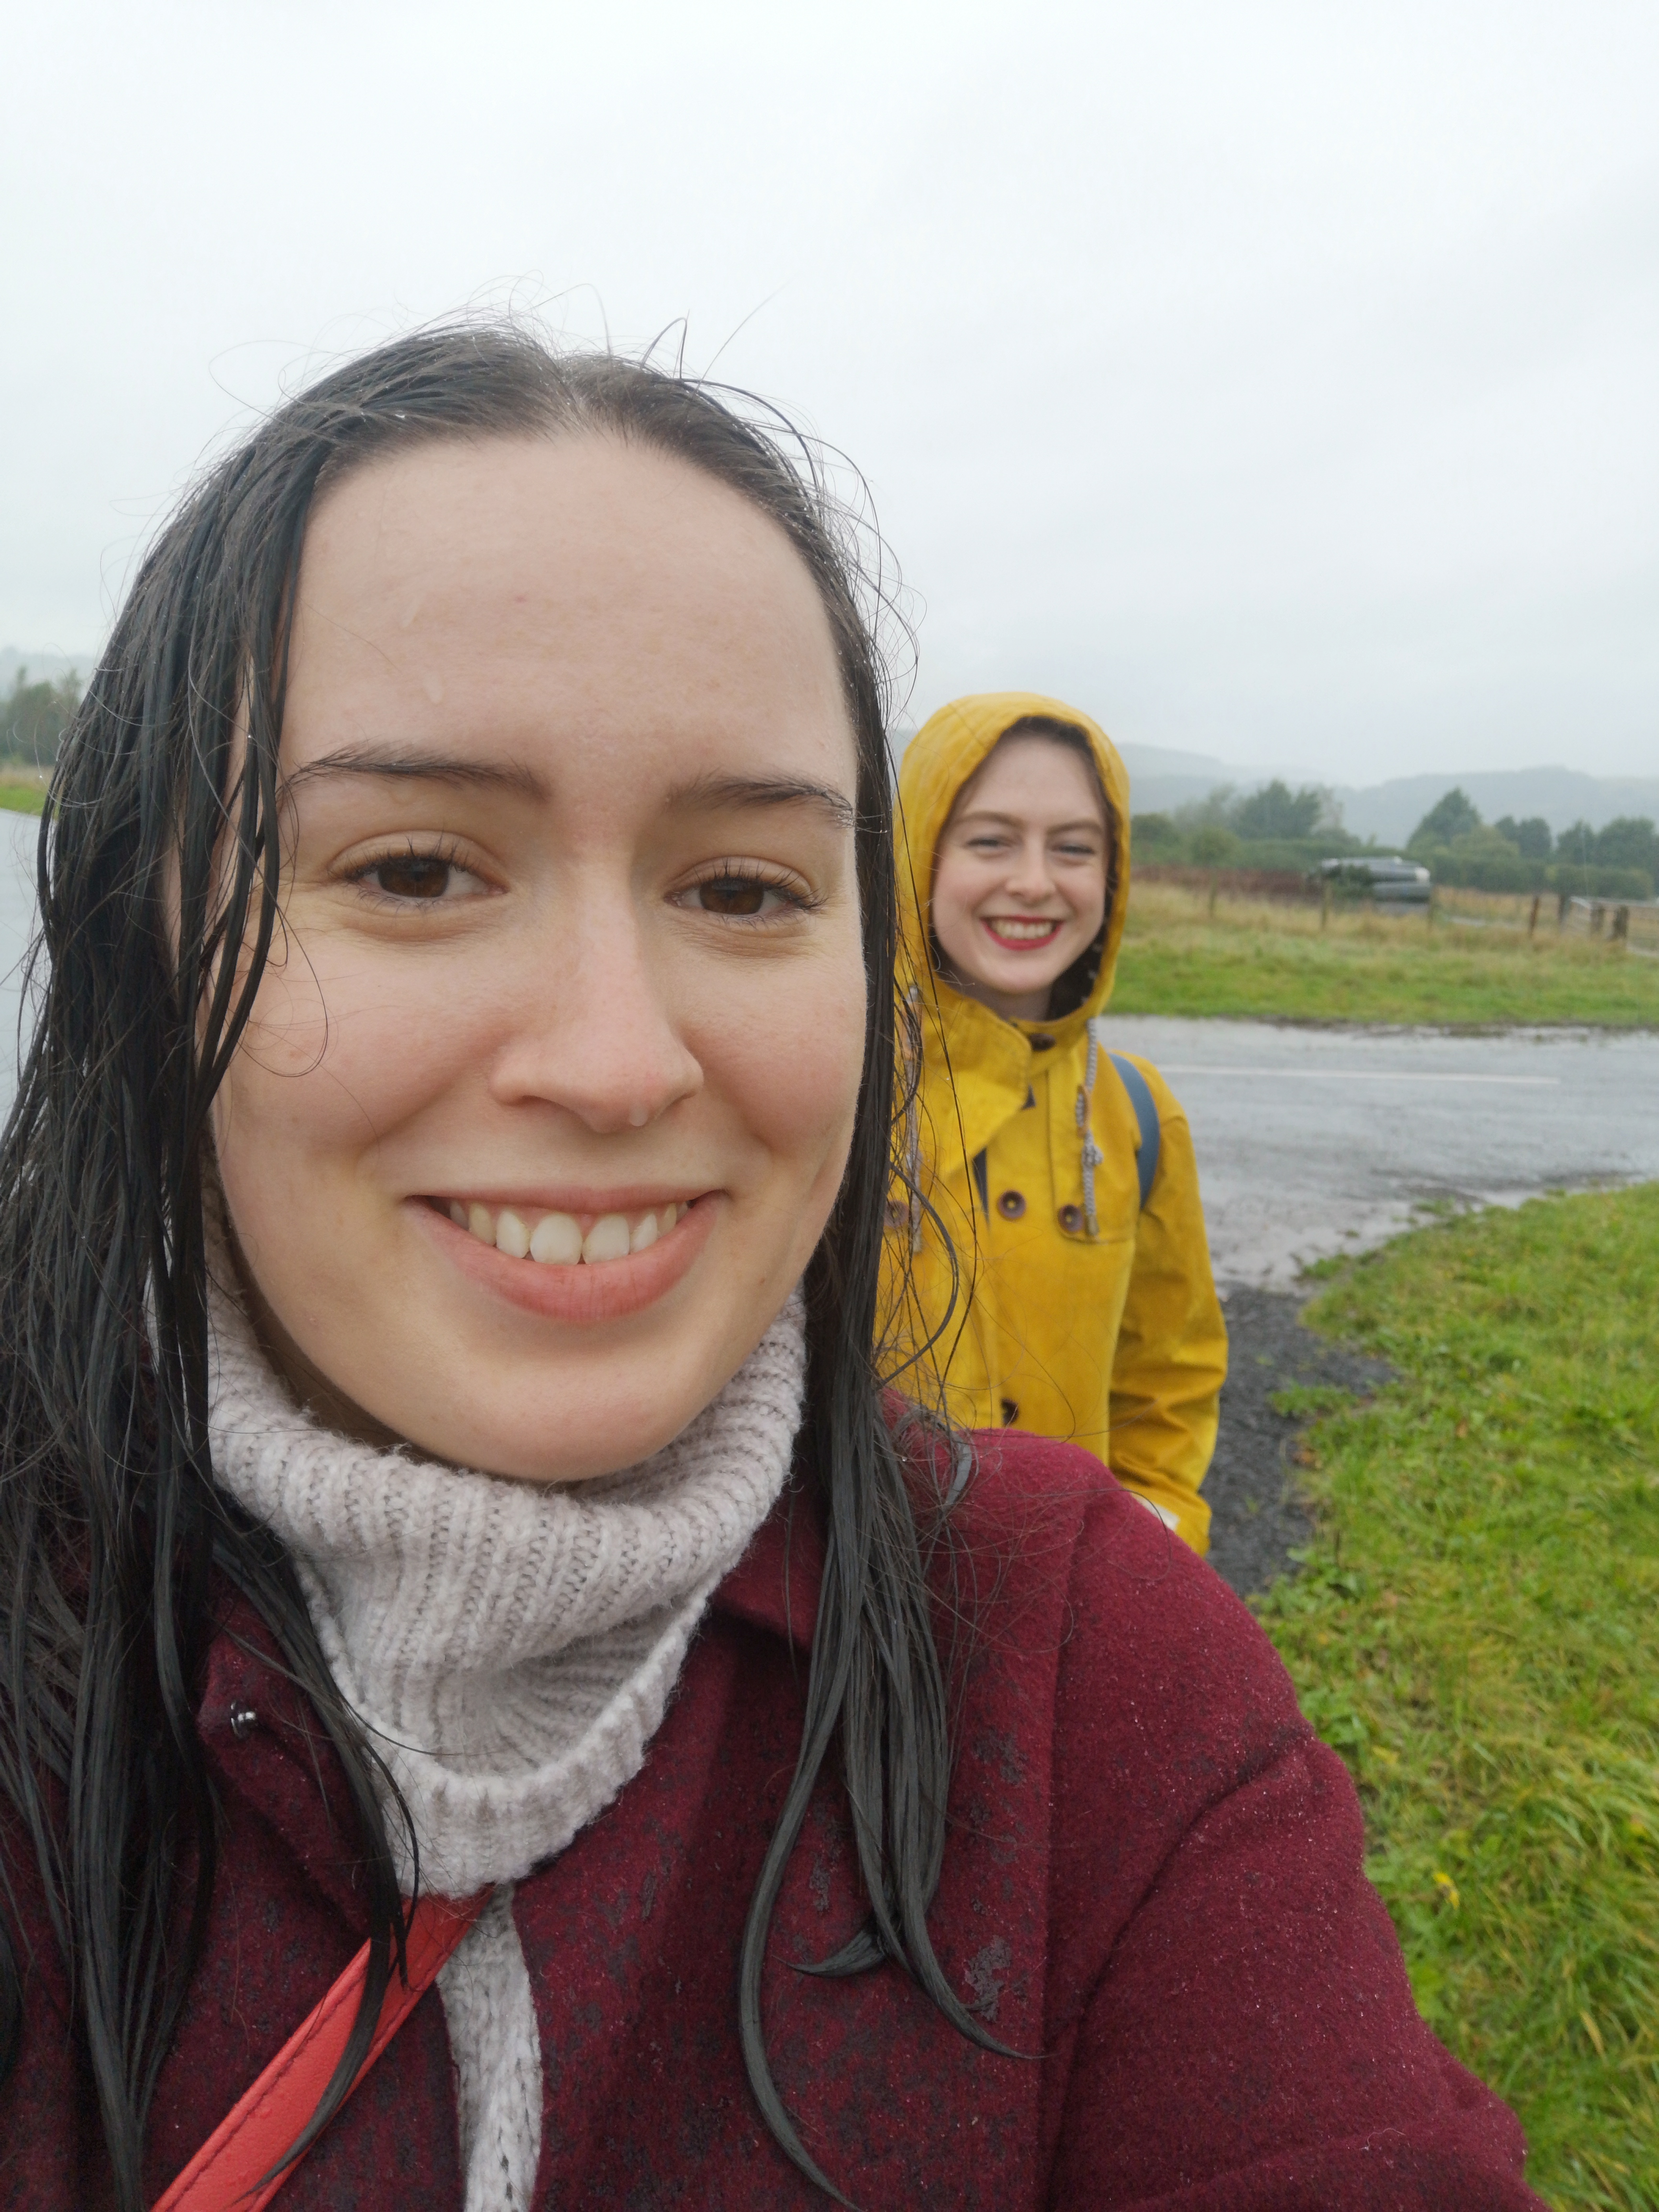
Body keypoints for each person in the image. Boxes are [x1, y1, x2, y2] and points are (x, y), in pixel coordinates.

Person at [0, 327, 1543, 2212]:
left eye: (741, 888)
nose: (616, 1059)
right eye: (411, 869)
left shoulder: (1090, 1686)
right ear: (137, 938)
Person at [888, 693, 1226, 1550]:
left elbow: (1170, 1379)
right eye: (990, 839)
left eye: (1073, 848)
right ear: (919, 853)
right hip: (846, 1619)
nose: (1034, 881)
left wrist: (1157, 1538)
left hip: (1064, 1621)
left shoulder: (1140, 1115)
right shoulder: (827, 1095)